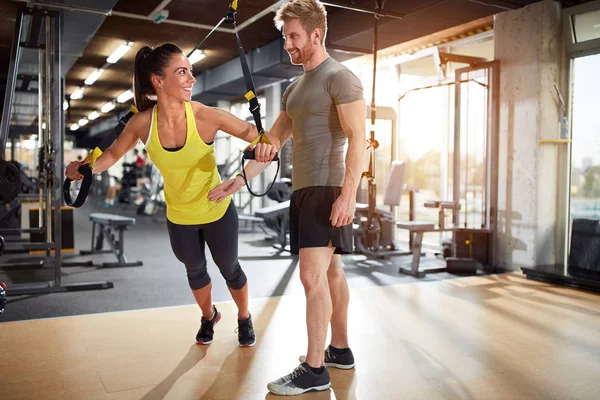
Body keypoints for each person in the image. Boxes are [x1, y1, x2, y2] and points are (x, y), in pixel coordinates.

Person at [65, 42, 279, 347]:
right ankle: (209, 316)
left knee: (230, 268)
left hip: (217, 210)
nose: (192, 79)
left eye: (191, 72)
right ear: (158, 80)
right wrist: (84, 168)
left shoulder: (206, 116)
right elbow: (111, 154)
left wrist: (265, 146)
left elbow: (258, 135)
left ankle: (244, 317)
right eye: (183, 72)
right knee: (195, 271)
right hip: (179, 216)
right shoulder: (142, 123)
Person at [209, 0, 366, 395]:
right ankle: (339, 351)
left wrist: (349, 196)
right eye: (285, 38)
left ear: (317, 33)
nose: (288, 46)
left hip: (328, 188)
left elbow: (359, 139)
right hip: (303, 189)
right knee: (330, 273)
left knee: (311, 275)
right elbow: (273, 141)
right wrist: (238, 180)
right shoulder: (295, 88)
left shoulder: (341, 77)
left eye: (294, 37)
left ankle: (314, 370)